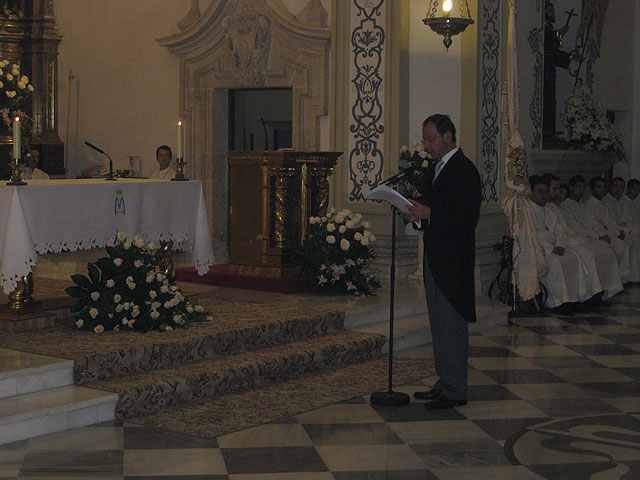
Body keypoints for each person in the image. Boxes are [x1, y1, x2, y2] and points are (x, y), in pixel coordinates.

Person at [401, 114, 481, 410]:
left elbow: (466, 218)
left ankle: (456, 389)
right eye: (424, 139)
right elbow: (434, 211)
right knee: (438, 323)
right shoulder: (436, 168)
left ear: (448, 137)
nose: (426, 145)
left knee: (452, 323)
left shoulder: (464, 170)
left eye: (430, 139)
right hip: (435, 256)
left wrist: (430, 214)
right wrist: (417, 216)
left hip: (454, 261)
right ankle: (444, 381)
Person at [545, 173, 622, 302]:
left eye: (582, 187)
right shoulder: (562, 206)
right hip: (569, 241)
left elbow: (584, 226)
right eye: (578, 187)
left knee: (606, 251)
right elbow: (570, 230)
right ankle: (588, 294)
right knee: (589, 255)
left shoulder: (576, 206)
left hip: (575, 239)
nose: (580, 190)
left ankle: (602, 290)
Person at [528, 175, 590, 314]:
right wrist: (551, 248)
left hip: (556, 247)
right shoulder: (527, 211)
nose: (543, 195)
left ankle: (572, 299)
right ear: (531, 192)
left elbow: (559, 232)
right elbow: (532, 236)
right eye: (539, 191)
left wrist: (560, 245)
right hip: (540, 251)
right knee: (556, 263)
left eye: (545, 191)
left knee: (574, 258)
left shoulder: (549, 209)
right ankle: (555, 302)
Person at [587, 176, 640, 283]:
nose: (618, 189)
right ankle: (623, 279)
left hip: (612, 232)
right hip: (599, 235)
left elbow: (610, 222)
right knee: (629, 242)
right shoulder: (593, 204)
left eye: (621, 187)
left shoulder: (611, 202)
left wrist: (619, 231)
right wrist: (620, 231)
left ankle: (627, 277)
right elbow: (596, 226)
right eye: (616, 186)